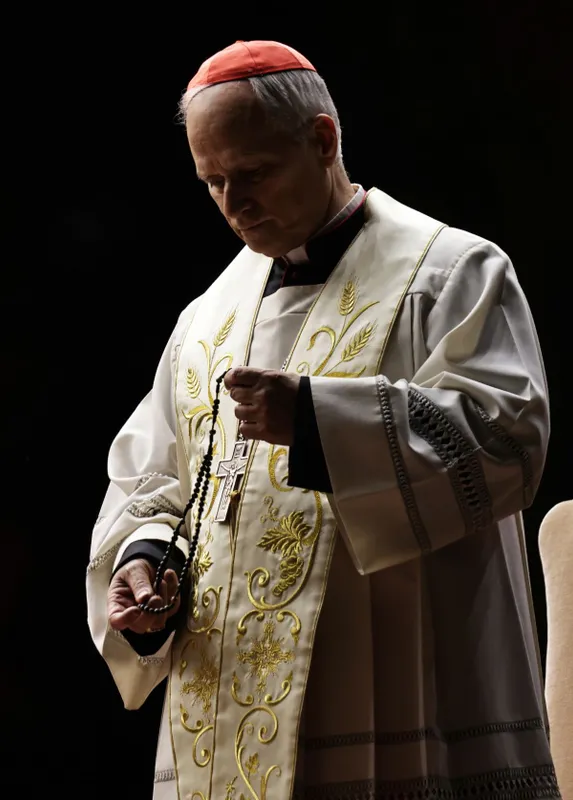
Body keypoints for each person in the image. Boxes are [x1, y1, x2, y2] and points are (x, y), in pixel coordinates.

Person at [86, 40, 560, 800]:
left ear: (322, 139)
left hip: (400, 689)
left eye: (253, 174)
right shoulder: (207, 318)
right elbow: (155, 477)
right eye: (212, 183)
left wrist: (314, 420)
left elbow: (507, 441)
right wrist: (149, 560)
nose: (233, 205)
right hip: (223, 708)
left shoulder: (450, 273)